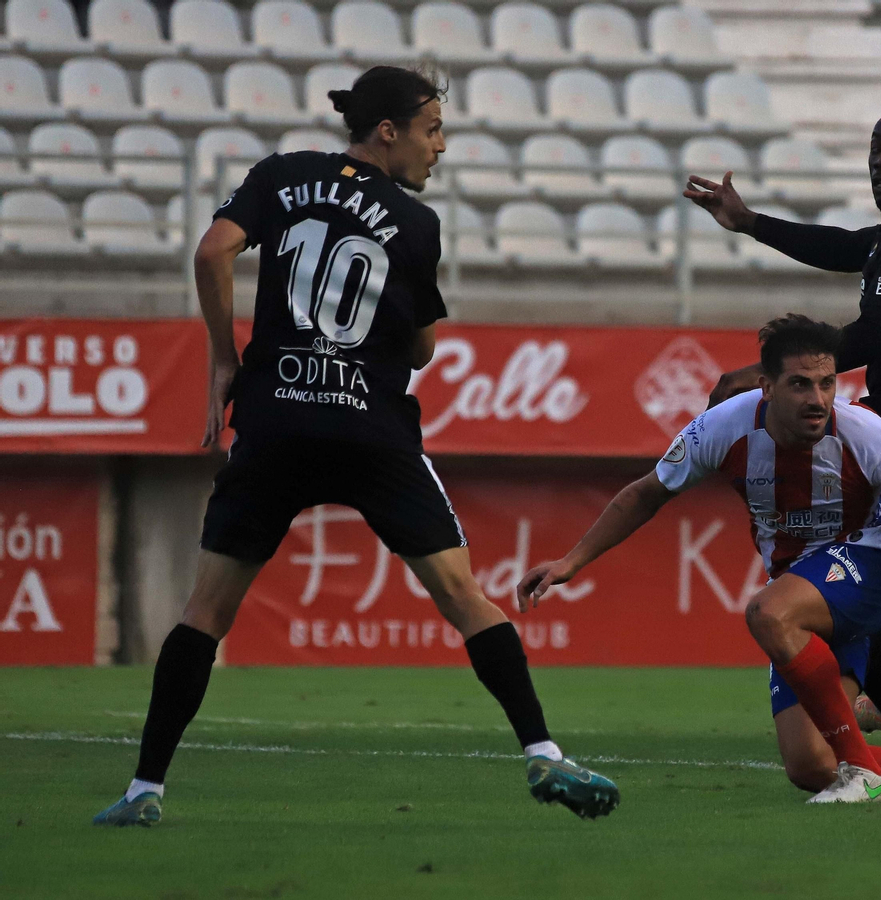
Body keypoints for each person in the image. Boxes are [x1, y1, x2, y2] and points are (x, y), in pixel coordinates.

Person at [92, 67, 618, 827]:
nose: (440, 147)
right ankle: (541, 750)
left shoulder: (282, 176)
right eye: (433, 129)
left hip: (274, 421)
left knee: (204, 612)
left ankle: (144, 791)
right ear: (388, 132)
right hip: (368, 426)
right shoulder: (415, 223)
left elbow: (213, 253)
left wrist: (223, 358)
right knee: (464, 598)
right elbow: (422, 351)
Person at [519, 315, 881, 805]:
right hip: (804, 587)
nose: (817, 398)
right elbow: (644, 494)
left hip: (874, 569)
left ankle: (867, 775)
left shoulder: (867, 434)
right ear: (767, 386)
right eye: (800, 384)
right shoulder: (723, 428)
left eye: (827, 383)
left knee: (768, 613)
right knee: (809, 764)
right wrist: (571, 561)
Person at [683, 102, 881, 767]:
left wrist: (771, 372)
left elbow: (875, 333)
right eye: (878, 147)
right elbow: (848, 248)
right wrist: (749, 223)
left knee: (863, 574)